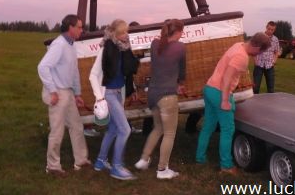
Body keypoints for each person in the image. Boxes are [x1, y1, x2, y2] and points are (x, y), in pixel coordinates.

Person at [195, 33, 271, 174]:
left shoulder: (238, 45)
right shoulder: (241, 57)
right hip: (219, 92)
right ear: (257, 47)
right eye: (261, 51)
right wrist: (224, 101)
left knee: (208, 126)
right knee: (228, 129)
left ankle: (200, 158)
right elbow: (227, 78)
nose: (259, 54)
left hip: (209, 88)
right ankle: (226, 165)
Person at [38, 14, 91, 178]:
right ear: (70, 28)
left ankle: (81, 160)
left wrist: (77, 93)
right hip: (58, 94)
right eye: (80, 27)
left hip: (67, 93)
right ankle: (53, 166)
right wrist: (52, 91)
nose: (82, 30)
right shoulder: (59, 45)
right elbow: (42, 67)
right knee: (57, 131)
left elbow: (74, 71)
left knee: (77, 126)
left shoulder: (71, 45)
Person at [134, 19, 186, 179]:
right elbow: (182, 71)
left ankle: (143, 159)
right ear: (177, 32)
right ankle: (162, 170)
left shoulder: (154, 44)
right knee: (169, 133)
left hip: (153, 95)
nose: (182, 34)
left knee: (158, 128)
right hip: (167, 95)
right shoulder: (180, 47)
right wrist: (181, 83)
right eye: (181, 31)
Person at [89, 19, 139, 180]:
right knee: (125, 129)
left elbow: (126, 74)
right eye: (123, 32)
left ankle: (100, 161)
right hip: (108, 94)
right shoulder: (106, 48)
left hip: (118, 93)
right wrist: (100, 97)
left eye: (127, 32)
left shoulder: (123, 49)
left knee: (113, 130)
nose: (126, 35)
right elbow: (93, 75)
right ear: (115, 34)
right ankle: (116, 167)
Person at [253, 21, 280, 94]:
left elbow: (276, 51)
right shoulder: (259, 37)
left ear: (274, 30)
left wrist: (274, 61)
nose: (270, 31)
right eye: (269, 29)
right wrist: (255, 61)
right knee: (255, 88)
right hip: (259, 65)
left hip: (270, 66)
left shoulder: (275, 39)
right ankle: (254, 103)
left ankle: (270, 103)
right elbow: (254, 49)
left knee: (271, 89)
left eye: (272, 30)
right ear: (266, 27)